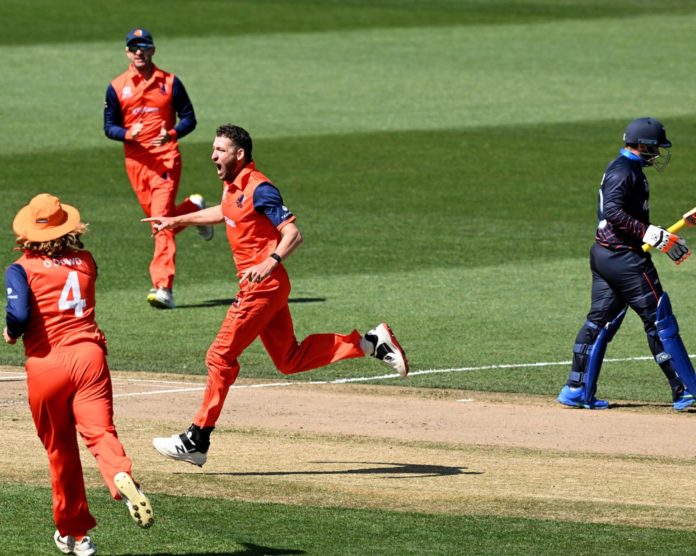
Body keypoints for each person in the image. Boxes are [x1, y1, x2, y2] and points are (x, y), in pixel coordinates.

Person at [146, 124, 409, 466]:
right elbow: (225, 213)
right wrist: (177, 220)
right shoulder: (232, 186)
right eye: (213, 149)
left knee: (219, 357)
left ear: (239, 155)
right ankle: (370, 343)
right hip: (266, 287)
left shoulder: (260, 189)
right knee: (288, 359)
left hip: (262, 286)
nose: (212, 155)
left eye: (220, 150)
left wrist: (269, 262)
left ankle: (197, 438)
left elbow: (293, 234)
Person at [4, 194, 154, 556]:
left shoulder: (20, 268)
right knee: (100, 433)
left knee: (62, 451)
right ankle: (120, 476)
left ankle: (76, 533)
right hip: (90, 358)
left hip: (47, 363)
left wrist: (11, 331)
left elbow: (20, 315)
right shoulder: (87, 261)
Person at [557, 117, 696, 411]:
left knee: (600, 320)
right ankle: (686, 390)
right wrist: (650, 233)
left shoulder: (623, 168)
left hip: (605, 255)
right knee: (660, 321)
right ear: (642, 145)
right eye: (654, 148)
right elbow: (613, 211)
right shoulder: (624, 172)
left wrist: (661, 233)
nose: (657, 153)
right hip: (626, 261)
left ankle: (577, 389)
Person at [104, 27, 213, 310]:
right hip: (136, 164)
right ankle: (193, 210)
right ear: (127, 52)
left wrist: (172, 134)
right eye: (133, 47)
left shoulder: (170, 82)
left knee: (159, 224)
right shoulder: (117, 86)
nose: (139, 51)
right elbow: (109, 127)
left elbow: (189, 118)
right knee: (159, 224)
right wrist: (130, 133)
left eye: (144, 46)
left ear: (153, 49)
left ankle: (164, 287)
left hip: (166, 160)